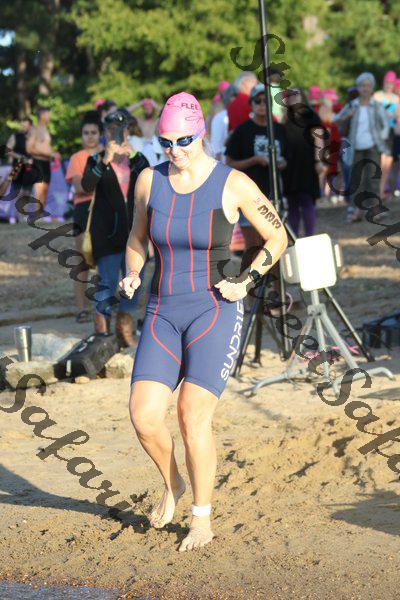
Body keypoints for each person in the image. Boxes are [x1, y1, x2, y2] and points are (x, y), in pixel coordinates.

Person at [119, 92, 287, 552]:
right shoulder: (149, 181)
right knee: (143, 416)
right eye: (166, 142)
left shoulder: (233, 183)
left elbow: (277, 236)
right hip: (162, 310)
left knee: (191, 414)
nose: (174, 150)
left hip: (214, 309)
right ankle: (172, 483)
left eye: (184, 140)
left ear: (202, 135)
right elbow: (136, 239)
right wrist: (132, 272)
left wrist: (248, 280)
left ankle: (201, 517)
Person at [81, 109, 149, 346]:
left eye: (121, 129)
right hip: (106, 235)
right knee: (107, 285)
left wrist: (133, 156)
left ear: (128, 131)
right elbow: (86, 185)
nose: (117, 133)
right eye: (111, 129)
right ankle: (101, 335)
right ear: (105, 132)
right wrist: (105, 160)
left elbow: (150, 183)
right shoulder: (96, 159)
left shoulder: (138, 159)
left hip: (135, 235)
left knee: (134, 283)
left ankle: (124, 331)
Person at [225, 82, 287, 266]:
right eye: (257, 101)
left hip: (274, 193)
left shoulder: (279, 129)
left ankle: (275, 284)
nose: (261, 105)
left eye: (265, 101)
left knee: (274, 245)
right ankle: (250, 283)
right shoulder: (242, 131)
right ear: (251, 104)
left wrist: (282, 163)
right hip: (249, 196)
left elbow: (288, 157)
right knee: (253, 247)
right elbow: (229, 162)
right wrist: (254, 160)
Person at [335, 72, 389, 222]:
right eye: (362, 86)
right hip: (355, 147)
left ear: (372, 88)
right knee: (356, 179)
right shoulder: (352, 105)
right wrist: (347, 116)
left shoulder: (376, 105)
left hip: (373, 146)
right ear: (358, 88)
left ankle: (375, 208)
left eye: (368, 85)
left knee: (373, 178)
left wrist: (381, 138)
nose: (365, 88)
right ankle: (355, 209)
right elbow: (336, 119)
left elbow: (385, 124)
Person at [66, 113, 103, 323]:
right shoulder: (77, 157)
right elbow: (79, 187)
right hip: (83, 210)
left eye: (93, 132)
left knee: (104, 261)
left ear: (100, 134)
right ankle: (81, 309)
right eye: (86, 133)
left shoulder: (108, 154)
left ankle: (102, 308)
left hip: (105, 209)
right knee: (82, 261)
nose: (90, 136)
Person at [282, 87, 326, 236]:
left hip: (307, 164)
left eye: (296, 95)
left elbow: (318, 138)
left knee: (307, 200)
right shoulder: (286, 118)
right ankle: (294, 237)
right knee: (292, 202)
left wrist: (318, 161)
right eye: (290, 96)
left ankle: (310, 236)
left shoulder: (311, 116)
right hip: (290, 166)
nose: (293, 98)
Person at [26, 107, 57, 211]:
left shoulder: (46, 129)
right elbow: (29, 148)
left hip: (46, 163)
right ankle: (36, 214)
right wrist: (47, 154)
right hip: (38, 162)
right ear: (42, 115)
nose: (50, 116)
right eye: (48, 114)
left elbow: (45, 147)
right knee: (39, 189)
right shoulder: (34, 129)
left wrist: (53, 153)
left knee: (45, 190)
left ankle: (40, 213)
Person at [374, 71, 399, 199]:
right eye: (387, 83)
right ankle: (376, 191)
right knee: (378, 164)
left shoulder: (396, 99)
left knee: (386, 165)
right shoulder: (377, 96)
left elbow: (397, 118)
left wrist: (393, 116)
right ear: (383, 83)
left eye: (391, 83)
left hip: (391, 134)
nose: (389, 85)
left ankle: (381, 191)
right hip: (378, 133)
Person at [6, 117, 34, 223]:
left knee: (27, 191)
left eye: (25, 126)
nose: (23, 127)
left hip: (30, 167)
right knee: (18, 191)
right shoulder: (15, 136)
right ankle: (20, 216)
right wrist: (19, 157)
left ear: (30, 126)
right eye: (22, 125)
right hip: (17, 167)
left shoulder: (34, 138)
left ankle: (24, 215)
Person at [210, 83, 236, 162]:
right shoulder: (221, 117)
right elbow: (216, 148)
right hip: (225, 164)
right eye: (234, 96)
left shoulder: (248, 114)